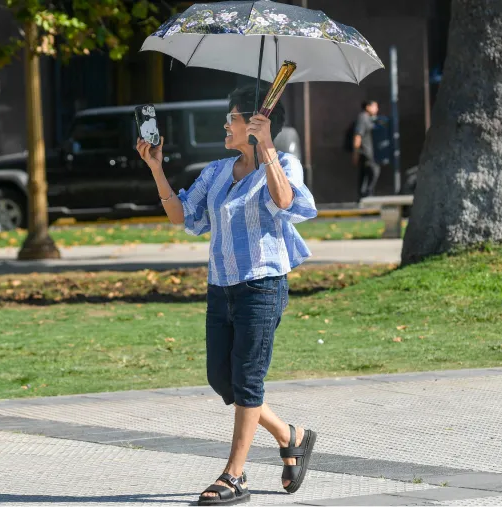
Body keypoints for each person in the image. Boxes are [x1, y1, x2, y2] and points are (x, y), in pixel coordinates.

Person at [136, 85, 319, 505]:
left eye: (232, 118)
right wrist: (156, 169)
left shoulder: (283, 163)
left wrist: (268, 147)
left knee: (248, 378)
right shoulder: (218, 171)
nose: (225, 124)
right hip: (221, 287)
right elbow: (184, 215)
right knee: (222, 378)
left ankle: (234, 476)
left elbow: (286, 200)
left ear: (255, 124)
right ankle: (291, 435)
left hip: (262, 285)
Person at [353, 100, 381, 198]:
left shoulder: (369, 118)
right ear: (368, 107)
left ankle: (364, 195)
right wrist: (356, 153)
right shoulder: (363, 118)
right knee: (374, 170)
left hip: (368, 151)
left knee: (365, 173)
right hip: (365, 152)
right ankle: (366, 194)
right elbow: (358, 136)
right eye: (375, 106)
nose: (377, 109)